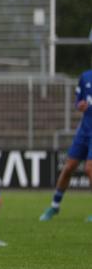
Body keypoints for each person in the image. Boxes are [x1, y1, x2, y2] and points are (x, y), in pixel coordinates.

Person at [39, 68, 92, 222]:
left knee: (90, 168)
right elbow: (78, 101)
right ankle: (55, 206)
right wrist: (79, 105)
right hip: (84, 131)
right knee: (68, 167)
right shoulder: (85, 76)